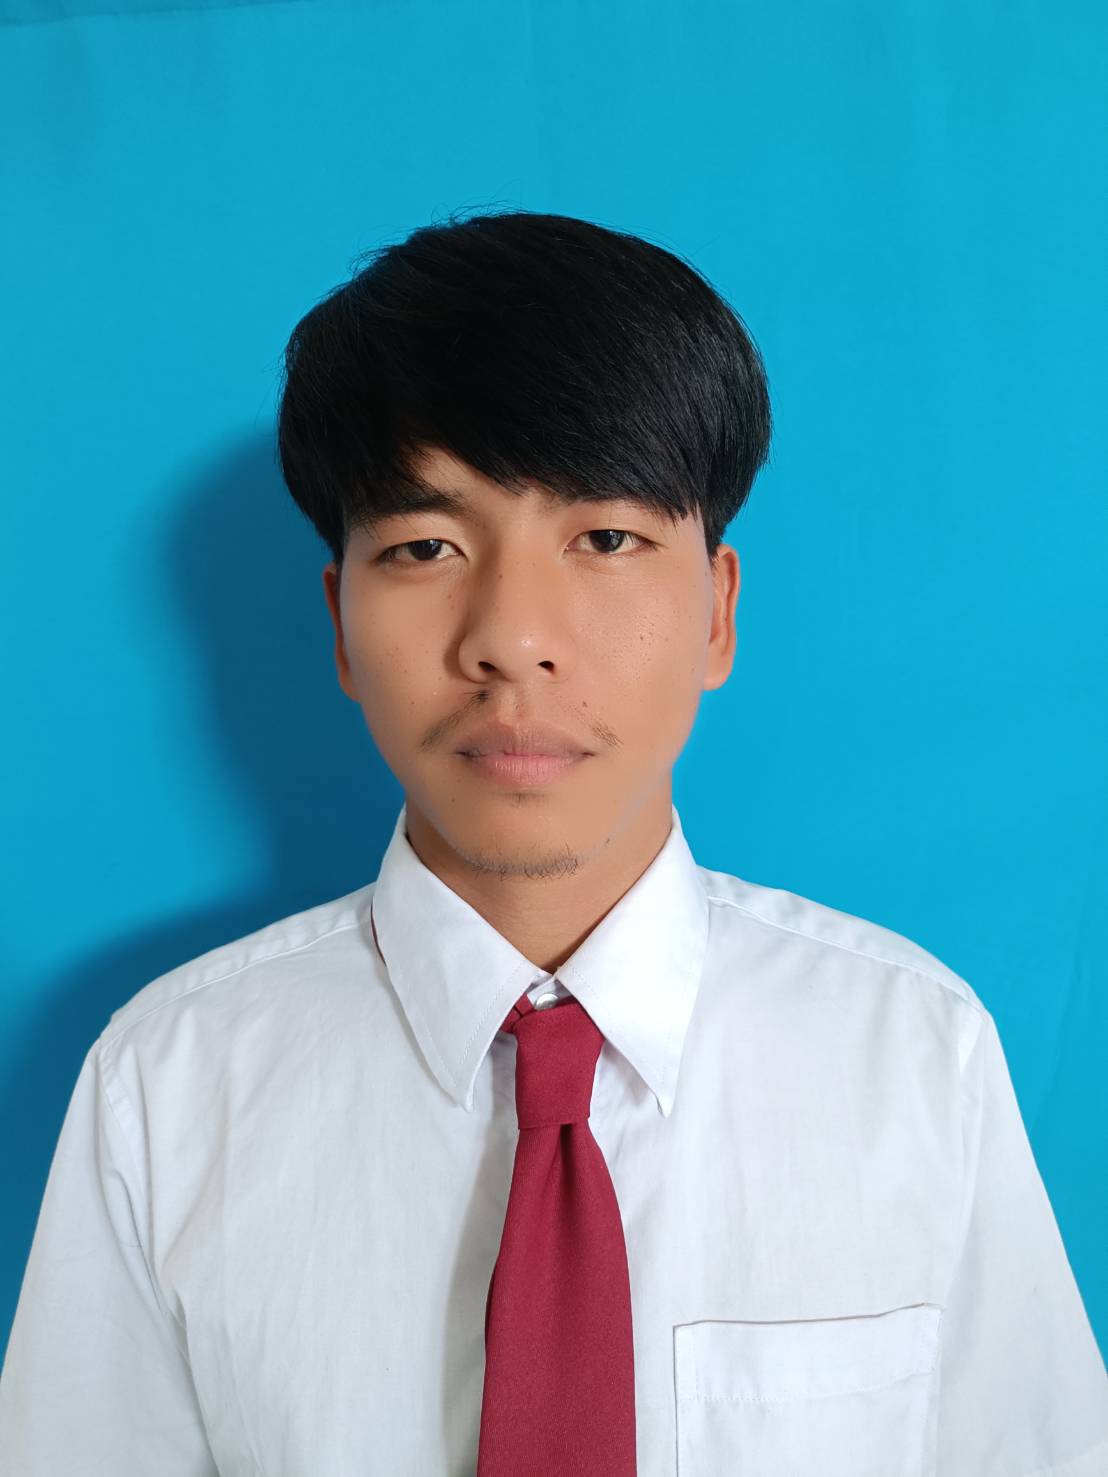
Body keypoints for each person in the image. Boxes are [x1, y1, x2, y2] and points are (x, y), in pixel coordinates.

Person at [1, 208, 1105, 1476]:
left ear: (716, 614)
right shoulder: (166, 1086)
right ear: (342, 626)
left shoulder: (911, 1055)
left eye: (606, 539)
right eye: (426, 546)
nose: (512, 638)